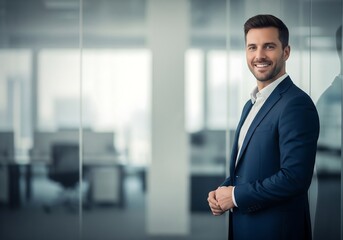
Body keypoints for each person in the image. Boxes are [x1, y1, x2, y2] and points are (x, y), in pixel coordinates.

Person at [207, 14, 320, 240]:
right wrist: (223, 191)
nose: (259, 56)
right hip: (246, 227)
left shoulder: (296, 104)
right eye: (252, 47)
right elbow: (250, 169)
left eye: (269, 46)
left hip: (276, 231)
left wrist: (236, 196)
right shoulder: (251, 105)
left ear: (285, 52)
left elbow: (295, 178)